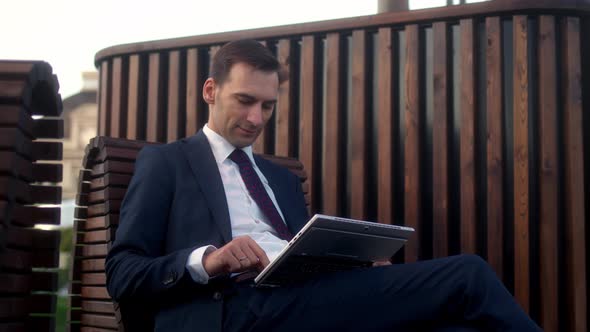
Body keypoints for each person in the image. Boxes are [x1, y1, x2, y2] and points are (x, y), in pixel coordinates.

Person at [105, 39, 541, 332]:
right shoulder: (168, 162)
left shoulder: (280, 178)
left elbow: (300, 256)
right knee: (468, 273)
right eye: (244, 101)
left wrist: (353, 266)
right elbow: (122, 273)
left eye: (268, 106)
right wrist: (208, 260)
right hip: (229, 308)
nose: (256, 119)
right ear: (210, 91)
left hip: (302, 301)